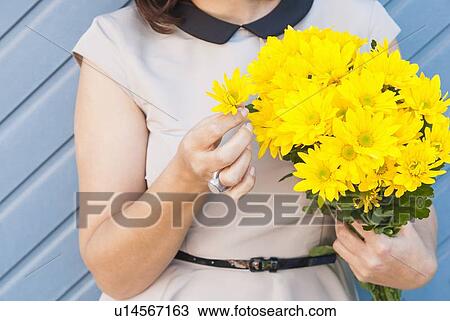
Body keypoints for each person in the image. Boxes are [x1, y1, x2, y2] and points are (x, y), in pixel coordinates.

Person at [73, 0, 437, 300]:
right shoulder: (117, 44)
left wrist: (410, 268)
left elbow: (410, 212)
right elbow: (115, 276)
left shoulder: (356, 17)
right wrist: (184, 178)